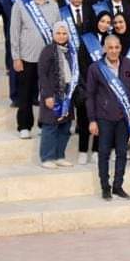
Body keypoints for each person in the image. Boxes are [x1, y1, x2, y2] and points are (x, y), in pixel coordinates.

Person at [10, 0, 62, 138]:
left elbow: (59, 30)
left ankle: (44, 123)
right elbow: (14, 32)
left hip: (49, 58)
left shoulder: (53, 5)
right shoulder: (20, 5)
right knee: (25, 93)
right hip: (27, 57)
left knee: (47, 92)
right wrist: (16, 57)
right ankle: (24, 126)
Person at [85, 34, 130, 200]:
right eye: (110, 48)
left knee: (122, 152)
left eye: (116, 47)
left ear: (120, 48)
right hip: (104, 117)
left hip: (123, 118)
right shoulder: (95, 68)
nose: (114, 51)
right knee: (104, 153)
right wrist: (92, 120)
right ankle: (105, 187)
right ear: (104, 49)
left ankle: (118, 186)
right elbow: (90, 95)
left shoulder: (128, 64)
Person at [36, 21, 77, 168]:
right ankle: (47, 157)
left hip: (67, 94)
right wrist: (47, 95)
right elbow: (42, 74)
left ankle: (59, 156)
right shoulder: (48, 50)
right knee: (51, 126)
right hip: (53, 94)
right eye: (58, 33)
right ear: (53, 35)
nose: (61, 36)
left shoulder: (71, 51)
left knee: (65, 126)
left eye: (64, 33)